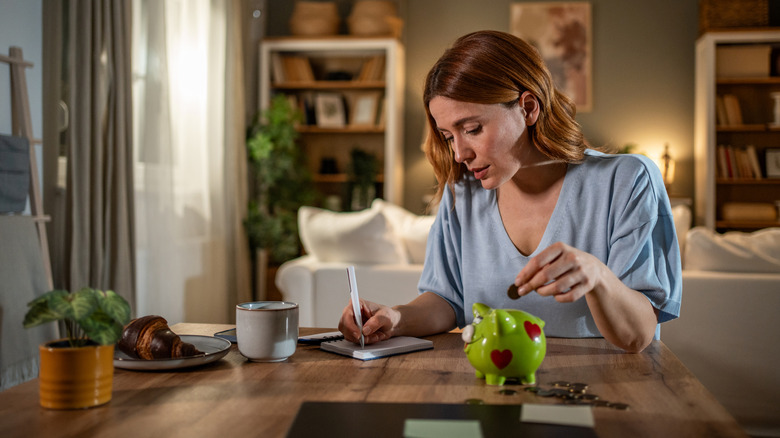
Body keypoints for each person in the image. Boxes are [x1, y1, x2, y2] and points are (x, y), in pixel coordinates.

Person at [338, 30, 681, 353]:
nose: (459, 153)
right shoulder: (463, 193)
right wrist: (395, 319)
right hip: (491, 380)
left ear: (528, 107)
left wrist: (598, 276)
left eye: (471, 128)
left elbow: (637, 336)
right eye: (448, 136)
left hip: (601, 389)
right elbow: (447, 301)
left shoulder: (627, 181)